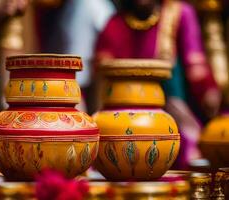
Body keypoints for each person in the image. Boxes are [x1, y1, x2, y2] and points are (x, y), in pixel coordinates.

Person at [95, 0, 222, 169]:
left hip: (170, 111)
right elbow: (102, 69)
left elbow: (195, 63)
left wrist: (208, 90)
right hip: (123, 118)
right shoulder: (115, 24)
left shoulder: (178, 13)